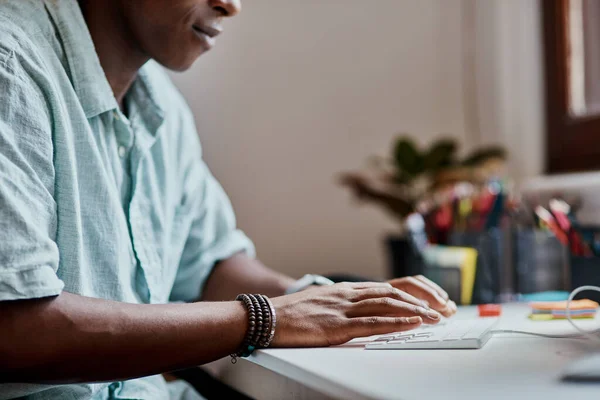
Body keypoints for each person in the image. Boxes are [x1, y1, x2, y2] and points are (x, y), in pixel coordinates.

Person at [0, 1, 457, 399]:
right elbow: (17, 329)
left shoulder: (160, 104)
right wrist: (267, 318)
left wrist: (330, 303)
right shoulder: (11, 66)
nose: (231, 5)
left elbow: (212, 268)